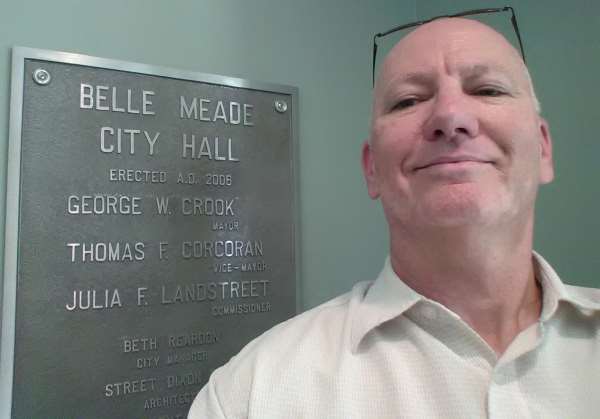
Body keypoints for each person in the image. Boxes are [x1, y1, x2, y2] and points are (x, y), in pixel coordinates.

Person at [188, 17, 600, 419]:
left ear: (543, 149)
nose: (451, 117)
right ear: (372, 169)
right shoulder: (248, 395)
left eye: (488, 89)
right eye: (408, 101)